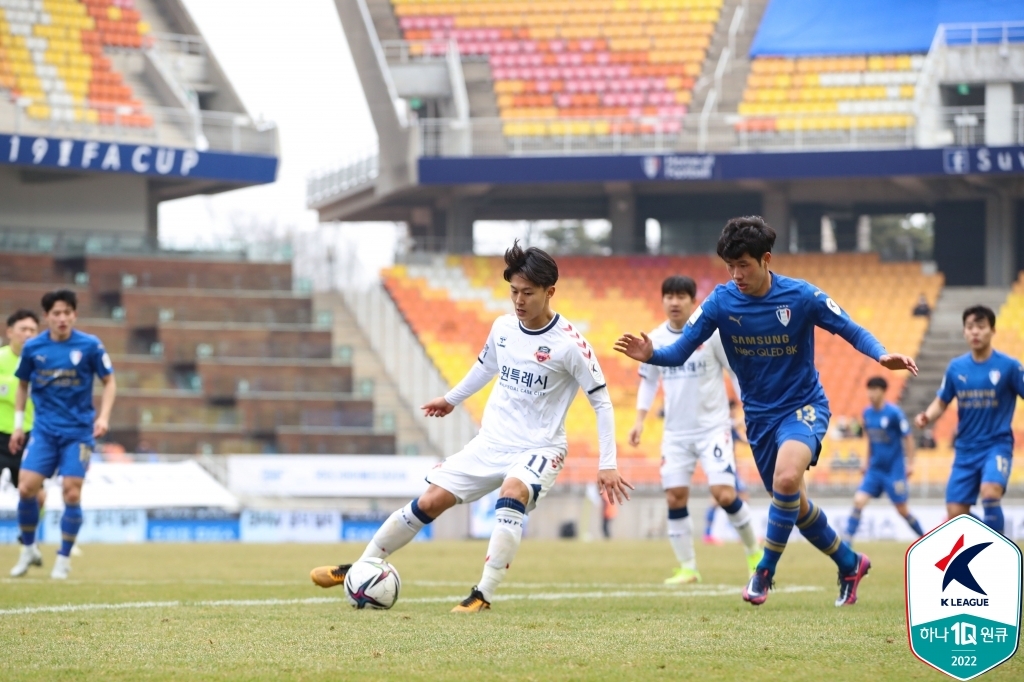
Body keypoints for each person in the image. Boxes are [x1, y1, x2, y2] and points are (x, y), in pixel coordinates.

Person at [310, 241, 632, 611]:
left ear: (550, 292)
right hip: (490, 442)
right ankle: (362, 566)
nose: (519, 301)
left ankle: (483, 595)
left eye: (528, 293)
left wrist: (607, 462)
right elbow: (485, 367)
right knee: (430, 501)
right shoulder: (503, 328)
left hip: (538, 448)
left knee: (512, 493)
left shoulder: (570, 345)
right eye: (513, 292)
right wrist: (451, 399)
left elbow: (602, 402)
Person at [615, 216, 917, 607]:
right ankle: (849, 562)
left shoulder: (801, 296)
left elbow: (850, 329)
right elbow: (680, 351)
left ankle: (764, 571)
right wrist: (652, 353)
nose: (736, 274)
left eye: (744, 265)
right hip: (759, 418)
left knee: (788, 478)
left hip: (803, 406)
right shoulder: (721, 302)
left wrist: (881, 354)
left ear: (765, 259)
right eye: (730, 267)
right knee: (794, 503)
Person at [628, 275, 762, 584]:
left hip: (713, 429)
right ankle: (688, 567)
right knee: (675, 496)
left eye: (681, 297)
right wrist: (639, 420)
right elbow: (648, 383)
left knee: (724, 494)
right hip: (676, 434)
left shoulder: (711, 335)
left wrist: (747, 409)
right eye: (669, 296)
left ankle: (755, 554)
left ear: (693, 301)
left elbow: (735, 373)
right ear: (662, 301)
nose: (674, 302)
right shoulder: (654, 340)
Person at [8, 290, 117, 579]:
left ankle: (64, 557)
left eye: (67, 312)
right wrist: (19, 424)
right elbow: (22, 386)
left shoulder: (90, 346)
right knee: (26, 488)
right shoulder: (34, 348)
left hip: (78, 432)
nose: (62, 318)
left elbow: (109, 382)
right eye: (56, 313)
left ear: (74, 314)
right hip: (44, 431)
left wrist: (103, 417)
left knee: (71, 491)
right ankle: (29, 548)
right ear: (47, 316)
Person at [915, 305, 1023, 534]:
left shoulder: (1010, 367)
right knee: (955, 512)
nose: (975, 332)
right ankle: (992, 542)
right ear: (964, 332)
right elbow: (942, 401)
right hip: (965, 449)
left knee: (990, 491)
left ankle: (997, 556)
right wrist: (927, 416)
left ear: (992, 330)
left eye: (981, 327)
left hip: (996, 445)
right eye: (970, 327)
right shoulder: (956, 367)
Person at [842, 376, 924, 544]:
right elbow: (870, 440)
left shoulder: (894, 414)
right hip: (875, 469)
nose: (871, 393)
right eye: (869, 389)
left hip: (894, 470)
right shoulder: (867, 413)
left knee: (902, 510)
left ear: (883, 391)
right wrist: (867, 462)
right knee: (858, 501)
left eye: (875, 389)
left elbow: (908, 438)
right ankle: (846, 544)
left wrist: (910, 463)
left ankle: (925, 539)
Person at [1, 310, 47, 567]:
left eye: (33, 330)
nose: (28, 334)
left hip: (30, 436)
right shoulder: (0, 360)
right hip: (0, 435)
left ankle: (28, 536)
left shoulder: (42, 362)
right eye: (23, 329)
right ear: (9, 332)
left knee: (37, 495)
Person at [704, 400, 751, 546]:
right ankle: (712, 534)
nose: (734, 413)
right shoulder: (722, 425)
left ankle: (734, 532)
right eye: (732, 410)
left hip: (731, 468)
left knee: (736, 498)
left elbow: (746, 441)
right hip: (723, 467)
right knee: (724, 500)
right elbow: (732, 423)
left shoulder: (731, 429)